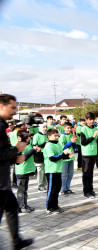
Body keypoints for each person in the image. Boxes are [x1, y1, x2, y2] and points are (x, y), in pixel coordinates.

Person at [0, 94, 34, 250]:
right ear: (2, 106)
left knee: (12, 208)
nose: (15, 111)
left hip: (3, 182)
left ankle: (16, 241)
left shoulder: (2, 124)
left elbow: (3, 152)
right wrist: (16, 149)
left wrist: (14, 157)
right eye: (12, 107)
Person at [43, 129, 73, 214]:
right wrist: (63, 154)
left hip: (58, 169)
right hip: (51, 170)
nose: (57, 137)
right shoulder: (48, 145)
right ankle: (49, 207)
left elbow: (60, 156)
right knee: (51, 189)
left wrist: (67, 156)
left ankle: (55, 205)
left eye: (57, 135)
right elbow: (52, 158)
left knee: (57, 188)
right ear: (49, 136)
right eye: (55, 136)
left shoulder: (58, 144)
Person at [15, 130, 37, 213]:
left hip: (27, 170)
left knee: (25, 189)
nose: (28, 138)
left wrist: (35, 151)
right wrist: (32, 151)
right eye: (26, 137)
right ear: (19, 138)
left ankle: (25, 204)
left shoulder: (27, 145)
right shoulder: (19, 146)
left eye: (28, 136)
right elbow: (23, 158)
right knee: (21, 190)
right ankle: (21, 206)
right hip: (21, 171)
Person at [80, 112, 98, 198]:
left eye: (93, 119)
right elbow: (83, 142)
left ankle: (91, 189)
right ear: (86, 120)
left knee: (91, 173)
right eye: (90, 119)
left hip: (93, 153)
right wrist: (93, 136)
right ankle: (86, 191)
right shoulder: (84, 129)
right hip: (86, 154)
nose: (92, 121)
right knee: (86, 173)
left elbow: (97, 142)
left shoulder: (95, 128)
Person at [58, 122, 77, 195]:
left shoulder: (71, 135)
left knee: (70, 174)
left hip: (71, 157)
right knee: (64, 174)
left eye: (70, 128)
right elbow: (62, 147)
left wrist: (74, 142)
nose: (69, 129)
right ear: (64, 128)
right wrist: (70, 142)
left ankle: (67, 188)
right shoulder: (62, 136)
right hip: (65, 158)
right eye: (67, 128)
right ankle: (63, 189)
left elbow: (74, 147)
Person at [33, 123, 48, 191]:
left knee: (45, 171)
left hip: (45, 155)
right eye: (43, 127)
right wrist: (44, 144)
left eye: (46, 127)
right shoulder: (36, 135)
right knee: (40, 171)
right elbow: (35, 147)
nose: (45, 128)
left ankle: (45, 184)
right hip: (39, 156)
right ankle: (40, 185)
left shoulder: (47, 135)